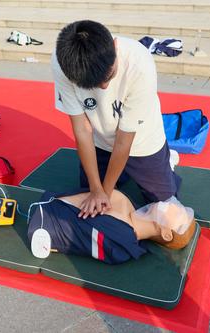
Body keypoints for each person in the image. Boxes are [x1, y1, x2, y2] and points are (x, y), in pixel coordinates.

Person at [52, 20, 181, 219]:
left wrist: (106, 192)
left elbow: (124, 139)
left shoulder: (139, 63)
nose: (104, 87)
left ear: (114, 45)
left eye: (109, 75)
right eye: (94, 84)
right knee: (89, 196)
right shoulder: (65, 63)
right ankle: (119, 174)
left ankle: (166, 161)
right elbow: (82, 129)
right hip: (100, 139)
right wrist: (96, 189)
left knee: (164, 205)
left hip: (141, 140)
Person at [27, 189, 197, 264]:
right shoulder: (130, 204)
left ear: (167, 234)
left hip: (44, 222)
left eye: (177, 213)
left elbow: (79, 240)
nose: (173, 205)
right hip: (50, 199)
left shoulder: (122, 244)